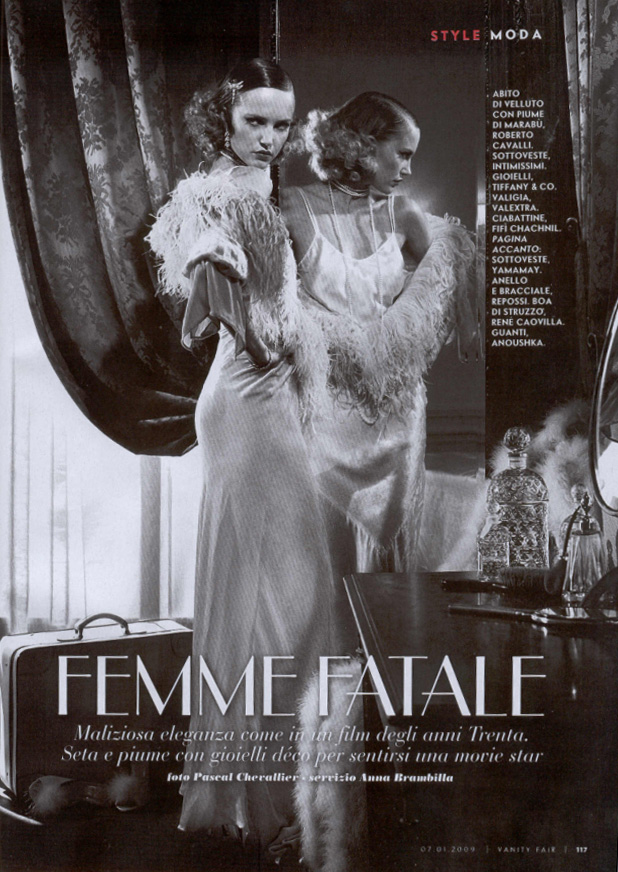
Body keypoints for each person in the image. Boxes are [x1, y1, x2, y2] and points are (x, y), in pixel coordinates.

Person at [147, 59, 334, 856]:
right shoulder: (213, 193)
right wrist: (225, 278)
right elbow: (219, 300)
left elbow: (273, 305)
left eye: (281, 124)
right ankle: (265, 804)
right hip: (247, 404)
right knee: (274, 599)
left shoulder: (262, 186)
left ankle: (286, 796)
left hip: (272, 403)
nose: (268, 137)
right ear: (223, 119)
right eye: (254, 121)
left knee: (291, 596)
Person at [281, 92, 479, 585]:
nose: (408, 169)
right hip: (325, 410)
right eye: (402, 153)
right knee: (323, 550)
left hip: (395, 415)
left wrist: (467, 322)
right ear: (365, 147)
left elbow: (447, 271)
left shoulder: (405, 213)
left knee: (391, 557)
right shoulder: (293, 205)